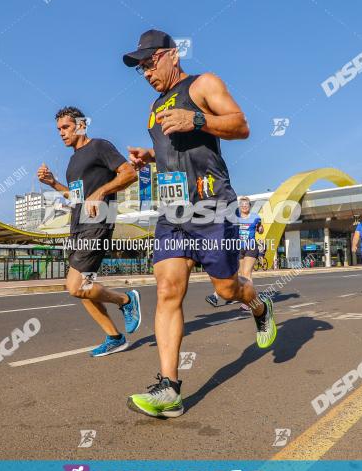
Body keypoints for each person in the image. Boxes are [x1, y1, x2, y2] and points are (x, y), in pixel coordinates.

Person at [123, 30, 277, 418]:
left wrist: (196, 118)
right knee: (167, 289)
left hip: (211, 206)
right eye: (140, 67)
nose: (145, 71)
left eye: (150, 61)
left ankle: (258, 306)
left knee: (227, 289)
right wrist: (150, 156)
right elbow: (176, 152)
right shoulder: (155, 107)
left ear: (173, 55)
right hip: (173, 212)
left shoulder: (203, 84)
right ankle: (169, 388)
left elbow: (241, 126)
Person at [37, 106, 142, 357]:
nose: (61, 133)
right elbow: (76, 198)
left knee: (74, 286)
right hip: (78, 226)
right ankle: (115, 338)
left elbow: (130, 174)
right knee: (85, 288)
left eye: (66, 127)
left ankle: (126, 300)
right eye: (59, 129)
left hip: (98, 223)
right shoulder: (73, 161)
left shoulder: (100, 146)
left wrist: (102, 192)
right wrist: (52, 182)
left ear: (81, 125)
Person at [205, 196, 264, 310]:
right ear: (240, 206)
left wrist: (260, 229)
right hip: (238, 248)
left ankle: (249, 303)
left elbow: (260, 230)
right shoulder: (235, 218)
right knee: (238, 274)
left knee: (246, 274)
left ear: (249, 206)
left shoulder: (255, 217)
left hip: (251, 247)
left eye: (246, 204)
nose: (244, 206)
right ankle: (226, 296)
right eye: (242, 204)